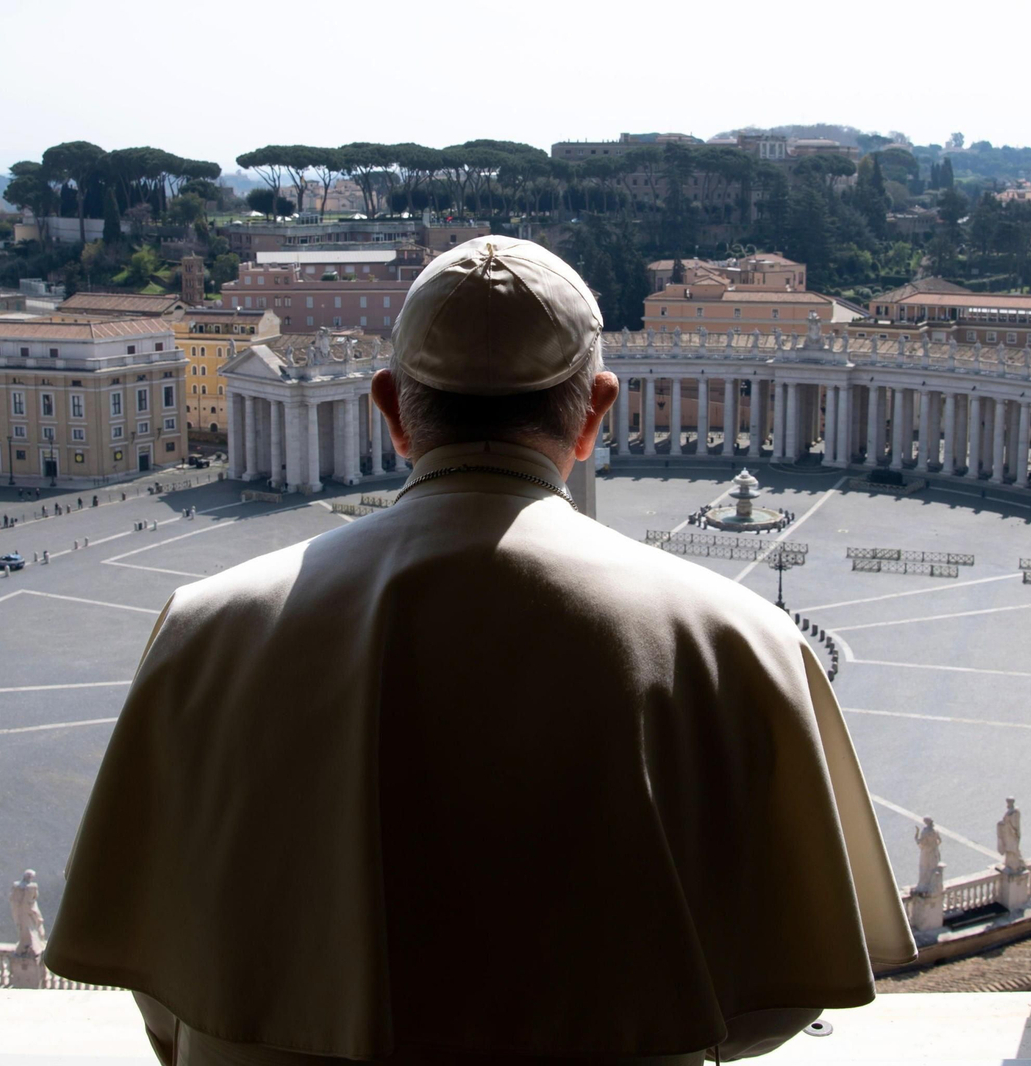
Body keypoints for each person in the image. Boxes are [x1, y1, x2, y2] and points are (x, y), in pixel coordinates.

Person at [48, 236, 915, 1066]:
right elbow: (783, 991)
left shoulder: (204, 625)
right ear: (595, 415)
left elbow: (158, 977)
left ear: (389, 408)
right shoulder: (742, 639)